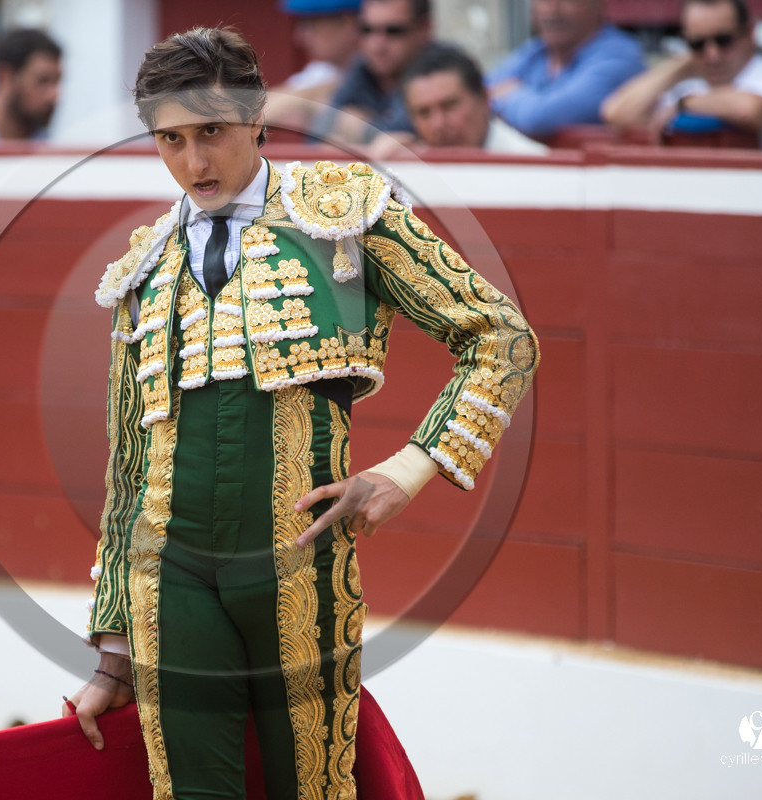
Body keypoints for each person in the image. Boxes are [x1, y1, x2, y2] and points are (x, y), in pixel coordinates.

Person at [67, 26, 539, 800]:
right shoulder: (144, 265)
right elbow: (129, 467)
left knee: (312, 790)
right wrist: (110, 656)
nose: (194, 163)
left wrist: (408, 469)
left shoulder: (343, 216)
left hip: (300, 561)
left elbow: (501, 337)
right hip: (169, 581)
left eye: (212, 133)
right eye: (171, 140)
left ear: (257, 119)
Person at [600, 0, 762, 152]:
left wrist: (684, 103)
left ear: (749, 33)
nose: (712, 54)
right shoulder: (691, 84)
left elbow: (749, 111)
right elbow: (617, 113)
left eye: (723, 40)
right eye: (698, 43)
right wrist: (682, 64)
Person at [487, 0, 645, 140]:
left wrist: (511, 95)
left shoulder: (619, 58)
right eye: (544, 0)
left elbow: (541, 118)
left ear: (598, 5)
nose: (553, 10)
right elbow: (477, 94)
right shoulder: (536, 52)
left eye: (568, 1)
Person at [380, 43, 549, 155]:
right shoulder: (407, 164)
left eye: (449, 106)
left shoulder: (535, 165)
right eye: (424, 113)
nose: (438, 124)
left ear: (485, 99)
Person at [311, 0, 432, 143]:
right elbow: (318, 136)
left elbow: (408, 133)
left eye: (393, 31)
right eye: (367, 30)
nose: (377, 45)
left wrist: (359, 126)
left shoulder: (440, 68)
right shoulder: (362, 67)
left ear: (423, 28)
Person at [265, 0, 362, 134]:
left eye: (311, 24)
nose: (300, 37)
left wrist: (309, 106)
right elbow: (263, 109)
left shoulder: (381, 69)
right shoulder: (323, 69)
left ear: (348, 24)